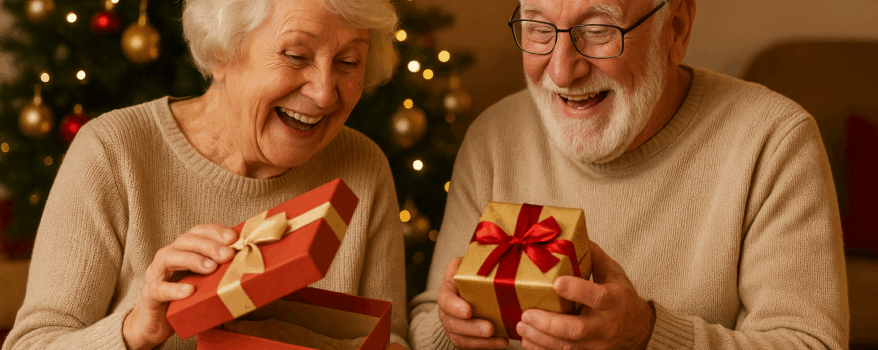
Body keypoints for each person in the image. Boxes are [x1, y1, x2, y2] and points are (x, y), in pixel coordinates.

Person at [408, 0, 849, 349]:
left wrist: (646, 337)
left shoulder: (773, 141)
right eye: (539, 28)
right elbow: (427, 327)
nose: (561, 71)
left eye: (599, 30)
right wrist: (456, 330)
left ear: (675, 28)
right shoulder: (494, 137)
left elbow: (811, 343)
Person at [2, 0, 410, 349]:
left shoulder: (363, 166)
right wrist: (134, 330)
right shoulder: (113, 151)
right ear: (222, 55)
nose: (324, 92)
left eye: (348, 62)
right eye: (296, 56)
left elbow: (389, 339)